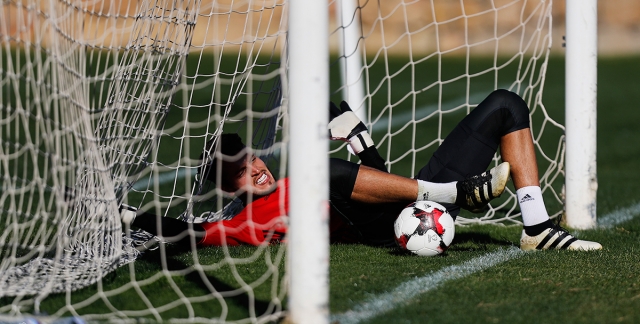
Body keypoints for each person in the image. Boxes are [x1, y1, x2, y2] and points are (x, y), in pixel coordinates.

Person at [122, 89, 602, 251]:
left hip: (409, 201)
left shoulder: (287, 176)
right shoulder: (240, 223)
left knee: (505, 105)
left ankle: (535, 227)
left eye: (252, 158)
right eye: (241, 172)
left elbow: (381, 183)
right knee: (319, 172)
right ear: (230, 187)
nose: (255, 168)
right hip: (372, 229)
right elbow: (180, 232)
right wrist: (128, 218)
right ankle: (456, 195)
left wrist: (360, 137)